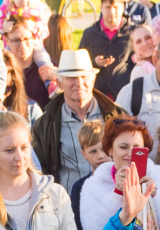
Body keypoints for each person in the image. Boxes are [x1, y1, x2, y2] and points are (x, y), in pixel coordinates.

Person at [34, 51, 116, 192]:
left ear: (93, 80)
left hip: (111, 202)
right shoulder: (45, 125)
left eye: (84, 76)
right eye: (71, 78)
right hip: (67, 206)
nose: (79, 83)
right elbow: (40, 170)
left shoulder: (115, 116)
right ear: (59, 83)